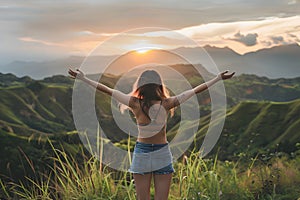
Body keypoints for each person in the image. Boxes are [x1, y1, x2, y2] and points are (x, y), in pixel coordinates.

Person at [68, 68, 235, 200]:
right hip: (162, 153)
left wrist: (83, 78)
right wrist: (217, 78)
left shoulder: (134, 103)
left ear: (140, 84)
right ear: (158, 85)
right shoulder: (167, 103)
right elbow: (194, 91)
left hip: (142, 153)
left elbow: (107, 90)